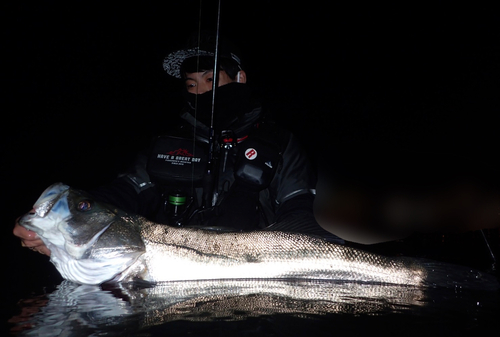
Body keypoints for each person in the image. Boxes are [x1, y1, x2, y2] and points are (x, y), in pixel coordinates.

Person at [13, 32, 343, 256]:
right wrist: (72, 220)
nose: (201, 92)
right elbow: (123, 192)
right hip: (176, 267)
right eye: (191, 84)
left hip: (260, 269)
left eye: (212, 80)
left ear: (239, 78)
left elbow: (302, 214)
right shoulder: (169, 143)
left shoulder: (280, 143)